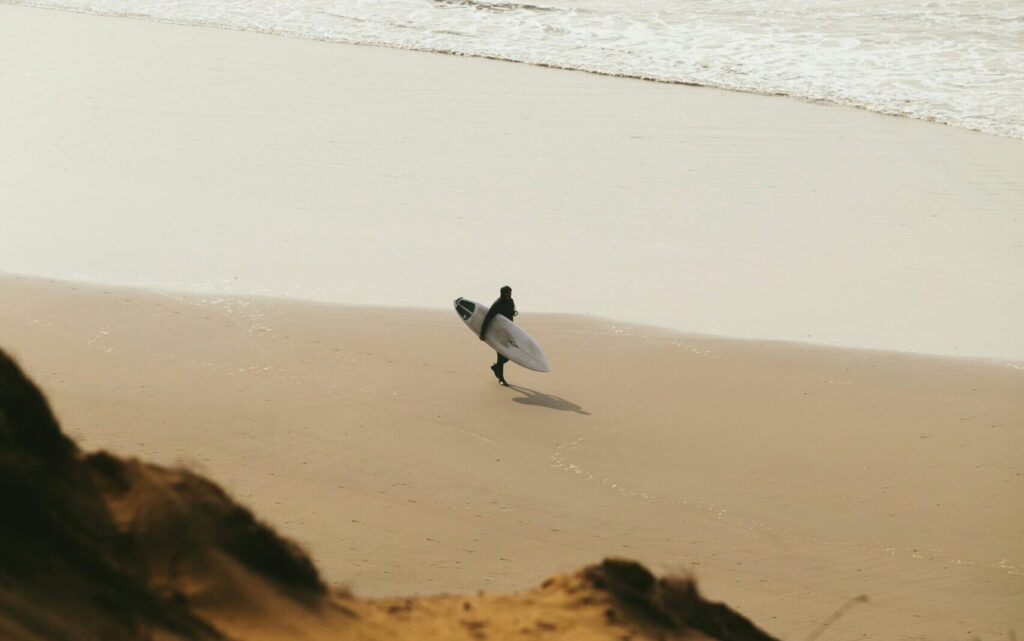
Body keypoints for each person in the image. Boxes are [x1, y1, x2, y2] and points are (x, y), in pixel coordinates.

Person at [479, 285, 516, 385]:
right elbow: (488, 318)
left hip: (508, 331)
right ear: (503, 294)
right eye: (508, 293)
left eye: (510, 293)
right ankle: (501, 379)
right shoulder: (497, 304)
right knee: (501, 355)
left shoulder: (511, 301)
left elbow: (511, 314)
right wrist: (482, 333)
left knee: (508, 356)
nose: (509, 295)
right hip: (499, 332)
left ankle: (496, 367)